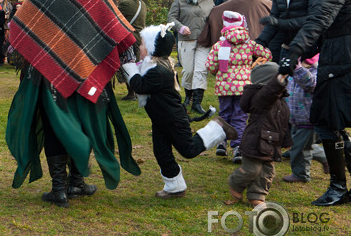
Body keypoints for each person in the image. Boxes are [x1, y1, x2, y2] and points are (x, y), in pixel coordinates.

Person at [6, 0, 141, 208]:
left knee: (56, 128)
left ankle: (60, 189)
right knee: (84, 125)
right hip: (89, 76)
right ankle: (76, 183)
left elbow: (16, 35)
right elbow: (122, 36)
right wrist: (131, 74)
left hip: (48, 80)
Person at [121, 24, 237, 198]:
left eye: (143, 44)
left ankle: (218, 128)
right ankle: (175, 187)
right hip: (161, 120)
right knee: (161, 152)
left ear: (153, 48)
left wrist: (128, 68)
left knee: (188, 150)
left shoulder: (158, 72)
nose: (140, 47)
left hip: (173, 119)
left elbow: (139, 85)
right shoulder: (152, 66)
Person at [279, 0, 351, 206]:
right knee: (331, 122)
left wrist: (295, 52)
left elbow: (320, 20)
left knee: (328, 120)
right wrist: (297, 50)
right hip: (337, 55)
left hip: (342, 59)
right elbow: (325, 29)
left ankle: (338, 187)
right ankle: (339, 185)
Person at [205, 11, 271, 163]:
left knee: (224, 114)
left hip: (224, 86)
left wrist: (218, 72)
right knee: (240, 117)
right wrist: (254, 64)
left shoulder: (219, 45)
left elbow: (210, 65)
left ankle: (221, 143)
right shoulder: (249, 44)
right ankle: (237, 148)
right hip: (244, 87)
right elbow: (267, 54)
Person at [228, 63, 291, 207]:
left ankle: (257, 195)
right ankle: (235, 183)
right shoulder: (260, 99)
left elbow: (282, 123)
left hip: (271, 142)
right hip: (255, 141)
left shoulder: (280, 100)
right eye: (279, 79)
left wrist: (285, 140)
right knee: (252, 169)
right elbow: (268, 92)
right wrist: (279, 79)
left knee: (267, 172)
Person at [168, 0, 214, 114]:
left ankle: (197, 103)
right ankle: (188, 98)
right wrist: (180, 28)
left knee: (201, 70)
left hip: (204, 39)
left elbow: (214, 16)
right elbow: (171, 18)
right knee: (189, 71)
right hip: (186, 39)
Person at [282, 54, 329, 183]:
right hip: (295, 117)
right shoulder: (294, 73)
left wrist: (299, 69)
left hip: (307, 118)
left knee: (300, 148)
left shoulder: (316, 72)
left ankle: (301, 174)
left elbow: (311, 84)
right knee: (303, 146)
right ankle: (326, 157)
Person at [198, 0, 272, 48]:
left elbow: (215, 13)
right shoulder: (269, 4)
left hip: (238, 48)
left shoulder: (232, 3)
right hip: (263, 45)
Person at [117, 0, 147, 100]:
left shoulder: (125, 4)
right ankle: (138, 91)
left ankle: (131, 93)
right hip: (140, 39)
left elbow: (115, 18)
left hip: (128, 39)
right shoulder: (142, 4)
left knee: (127, 65)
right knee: (137, 64)